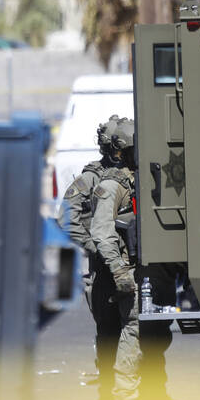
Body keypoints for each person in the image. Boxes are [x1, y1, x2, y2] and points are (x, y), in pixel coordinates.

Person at [87, 118, 181, 400]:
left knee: (156, 333)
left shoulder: (146, 178)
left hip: (154, 270)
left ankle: (155, 395)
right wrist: (118, 270)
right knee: (134, 331)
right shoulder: (113, 184)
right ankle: (125, 395)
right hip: (129, 270)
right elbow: (101, 231)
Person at [60, 115, 121, 385]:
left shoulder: (135, 172)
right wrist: (95, 246)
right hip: (105, 267)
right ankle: (108, 389)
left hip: (132, 262)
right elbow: (67, 218)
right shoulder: (91, 178)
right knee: (108, 330)